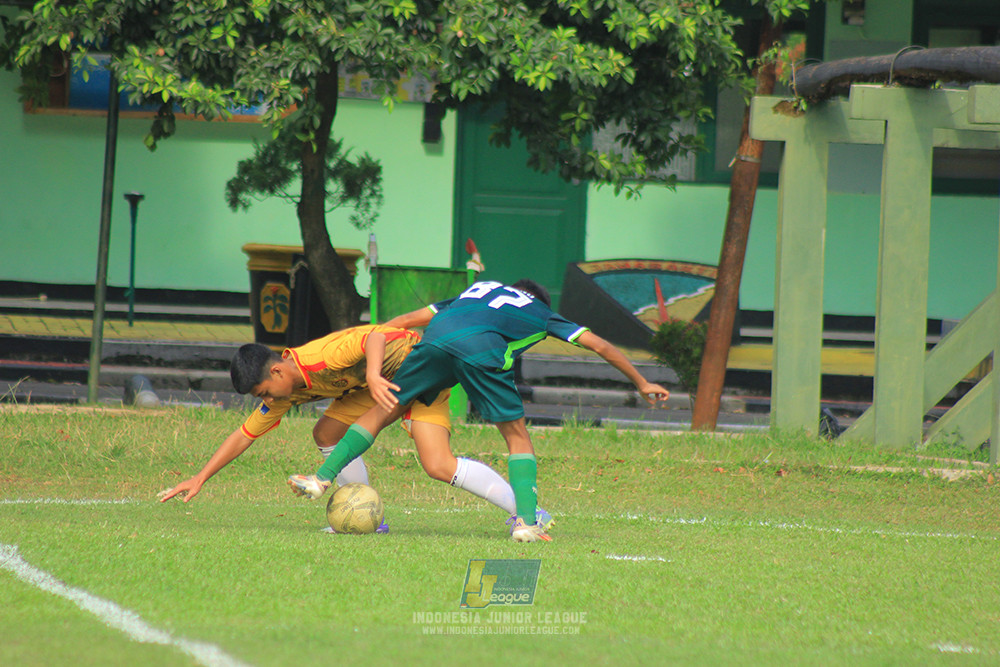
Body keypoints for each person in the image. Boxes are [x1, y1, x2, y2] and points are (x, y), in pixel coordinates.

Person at [288, 280, 670, 543]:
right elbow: (599, 346)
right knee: (516, 437)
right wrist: (641, 381)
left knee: (384, 410)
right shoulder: (541, 313)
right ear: (536, 299)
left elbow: (402, 322)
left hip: (436, 340)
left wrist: (374, 348)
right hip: (480, 350)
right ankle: (525, 521)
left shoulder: (474, 292)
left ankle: (321, 479)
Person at [158, 324, 550, 533]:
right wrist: (200, 477)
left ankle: (530, 514)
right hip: (377, 388)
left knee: (437, 465)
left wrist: (376, 376)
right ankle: (364, 515)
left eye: (265, 392)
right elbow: (244, 434)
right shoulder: (283, 393)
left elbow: (375, 336)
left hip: (420, 366)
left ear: (277, 370)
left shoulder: (322, 356)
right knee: (325, 434)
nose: (269, 401)